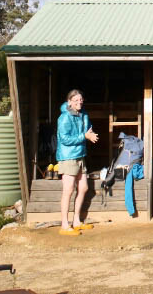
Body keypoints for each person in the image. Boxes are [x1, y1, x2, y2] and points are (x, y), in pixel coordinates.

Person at [56, 89, 98, 235]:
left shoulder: (83, 115)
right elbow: (64, 139)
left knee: (84, 187)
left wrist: (90, 134)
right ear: (69, 102)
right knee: (68, 190)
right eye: (76, 100)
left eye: (81, 100)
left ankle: (76, 221)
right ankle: (64, 225)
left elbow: (87, 130)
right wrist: (84, 136)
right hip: (68, 156)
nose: (79, 102)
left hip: (80, 155)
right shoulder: (64, 118)